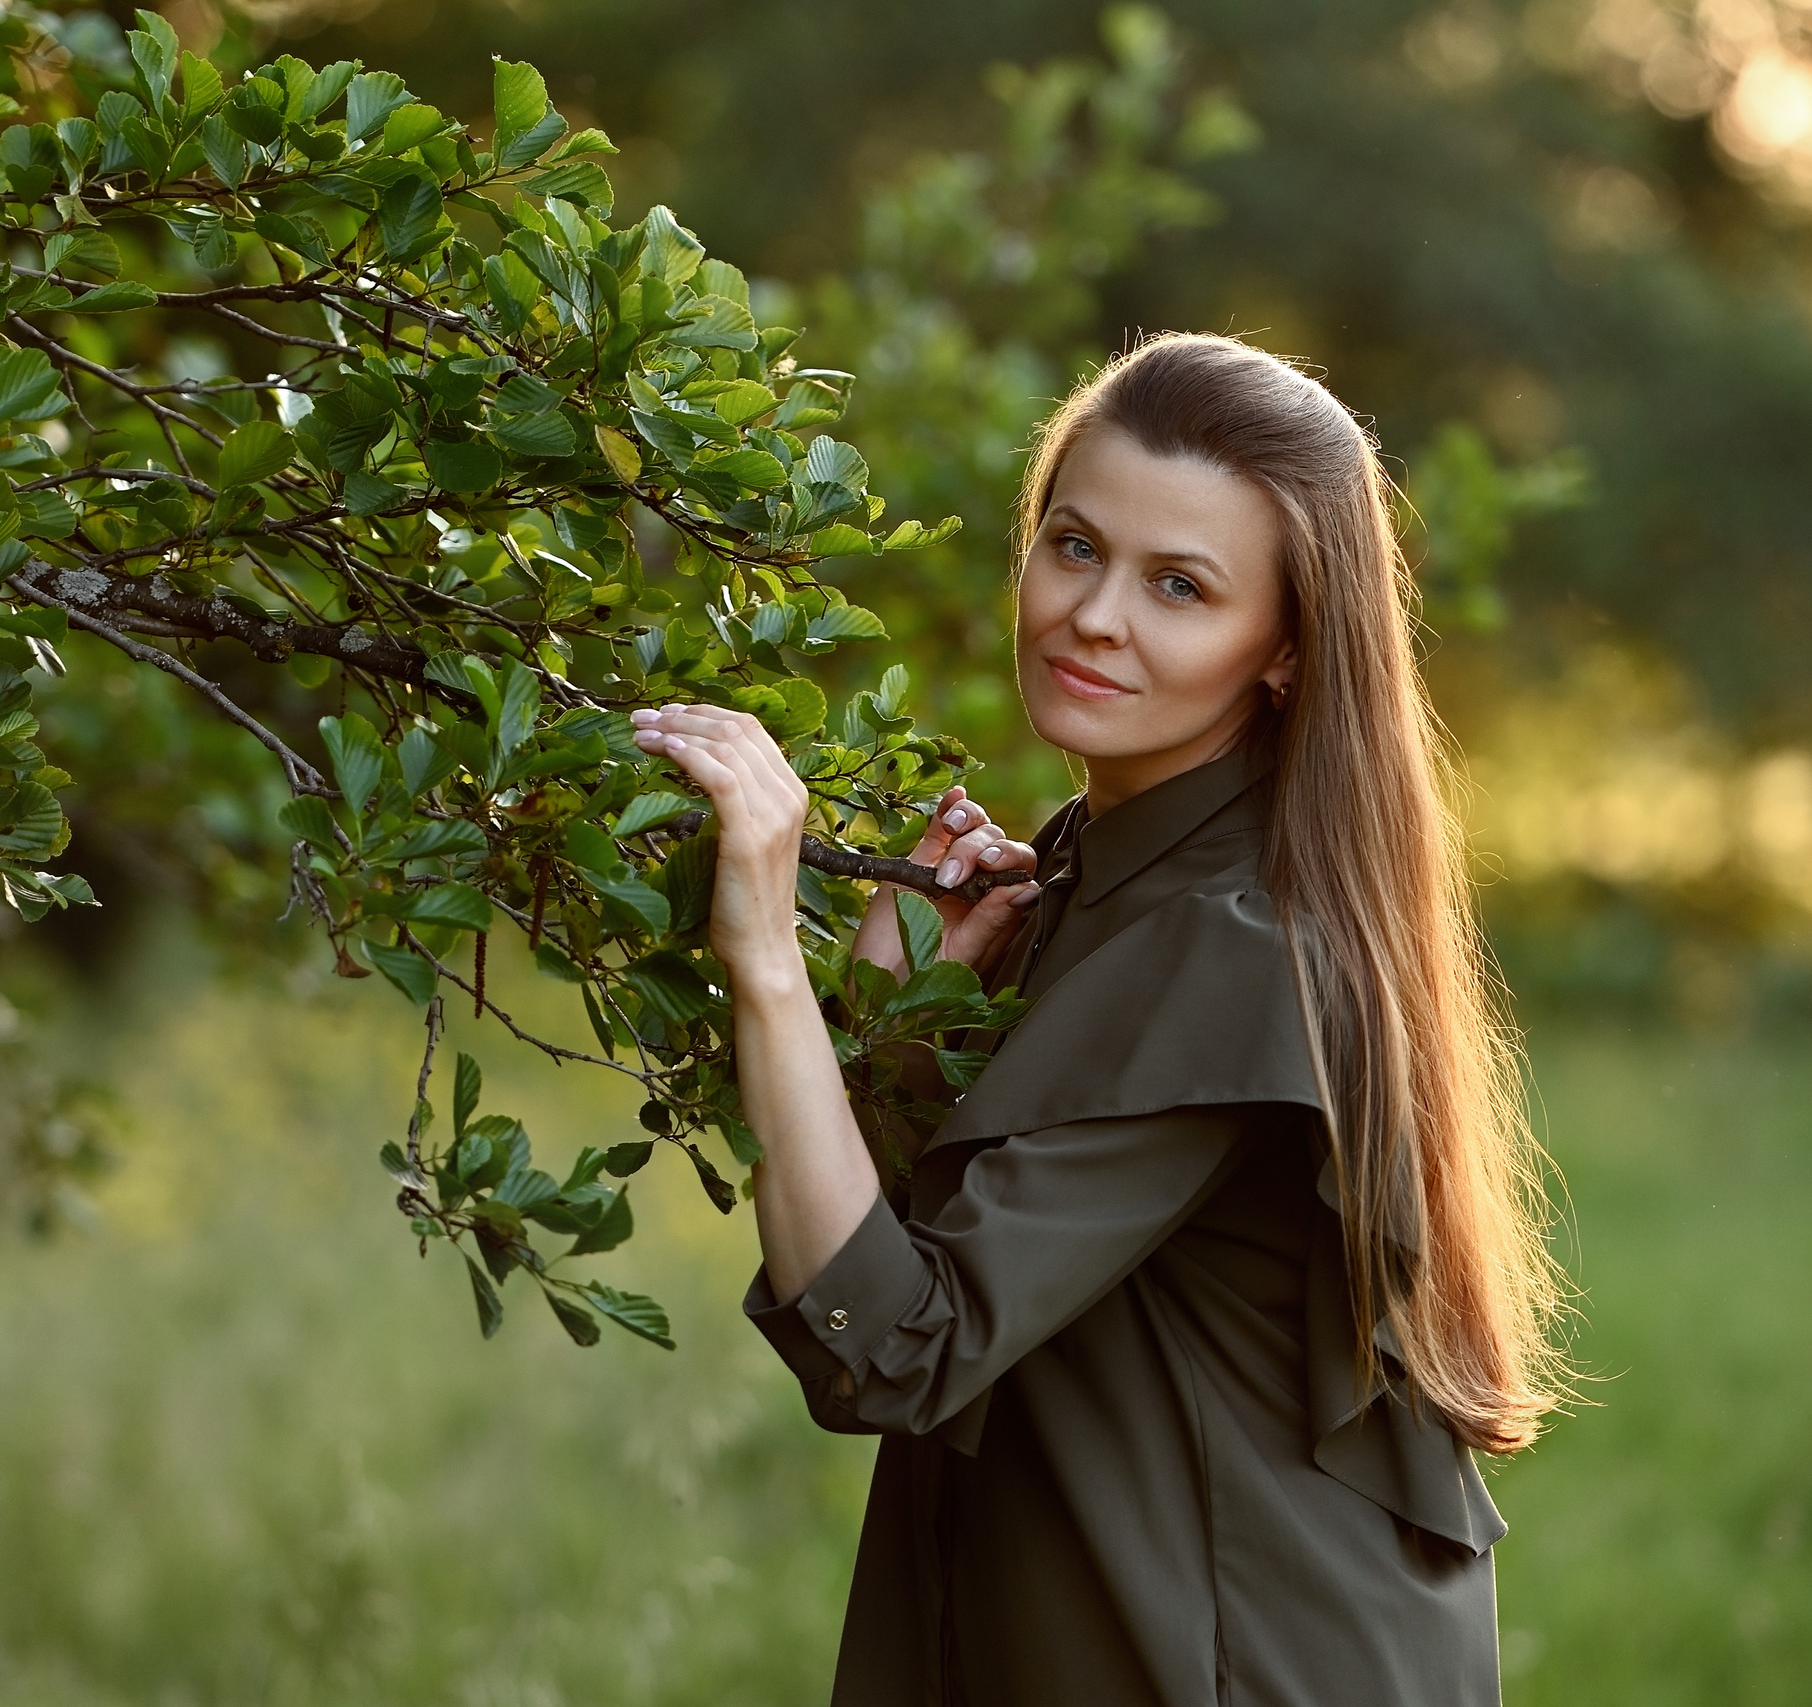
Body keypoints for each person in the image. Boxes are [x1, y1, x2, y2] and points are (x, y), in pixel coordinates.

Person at [628, 331, 1565, 1707]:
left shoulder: (1228, 943)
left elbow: (897, 1348)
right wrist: (904, 1034)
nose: (1095, 615)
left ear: (1288, 651)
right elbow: (955, 1261)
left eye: (1179, 586)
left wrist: (766, 951)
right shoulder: (1095, 874)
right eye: (1075, 546)